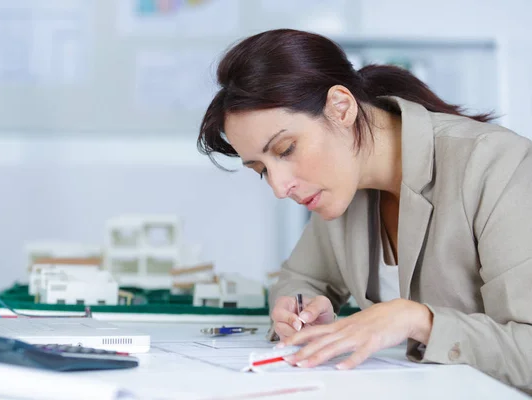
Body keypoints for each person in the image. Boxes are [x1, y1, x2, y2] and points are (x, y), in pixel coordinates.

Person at [197, 29, 532, 392]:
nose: (279, 187)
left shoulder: (497, 165)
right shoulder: (340, 185)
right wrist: (298, 310)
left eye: (286, 149)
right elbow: (301, 279)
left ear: (341, 107)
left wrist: (418, 320)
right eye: (262, 170)